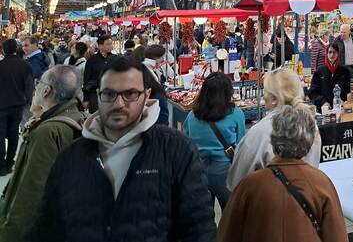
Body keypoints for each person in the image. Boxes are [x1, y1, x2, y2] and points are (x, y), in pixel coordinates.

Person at [28, 56, 215, 242]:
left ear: (146, 95)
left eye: (130, 94)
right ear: (98, 95)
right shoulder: (71, 157)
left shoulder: (176, 150)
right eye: (109, 94)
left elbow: (199, 227)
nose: (119, 104)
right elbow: (47, 226)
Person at [217, 105, 348, 242]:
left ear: (274, 139)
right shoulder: (321, 183)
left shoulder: (249, 185)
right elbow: (337, 236)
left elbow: (227, 234)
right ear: (308, 142)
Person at [0, 65, 86, 241]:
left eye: (39, 83)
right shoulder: (77, 117)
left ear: (47, 90)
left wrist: (9, 235)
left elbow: (30, 192)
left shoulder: (48, 132)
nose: (36, 87)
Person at [227, 69, 321, 191]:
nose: (263, 95)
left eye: (265, 91)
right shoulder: (311, 125)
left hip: (269, 204)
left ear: (274, 98)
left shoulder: (259, 133)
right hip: (306, 202)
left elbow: (236, 182)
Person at [183, 72, 246, 210]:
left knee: (203, 216)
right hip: (224, 169)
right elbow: (241, 144)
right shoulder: (236, 114)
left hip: (198, 169)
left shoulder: (192, 116)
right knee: (229, 214)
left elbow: (186, 141)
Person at [0, 39, 33, 175]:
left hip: (1, 106)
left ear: (3, 50)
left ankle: (1, 166)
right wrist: (28, 101)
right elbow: (29, 87)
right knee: (14, 135)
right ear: (16, 49)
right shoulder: (25, 65)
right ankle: (9, 163)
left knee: (0, 136)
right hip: (17, 105)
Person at [308, 45, 351, 112]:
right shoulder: (319, 72)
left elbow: (349, 90)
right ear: (326, 54)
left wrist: (345, 101)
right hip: (324, 110)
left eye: (334, 52)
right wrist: (323, 102)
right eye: (330, 52)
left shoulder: (344, 71)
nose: (332, 55)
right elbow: (313, 92)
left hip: (342, 109)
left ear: (338, 54)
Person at [83, 34, 115, 113]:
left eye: (111, 43)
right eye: (108, 44)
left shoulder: (115, 58)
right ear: (100, 46)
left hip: (113, 95)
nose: (110, 46)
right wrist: (86, 99)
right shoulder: (92, 60)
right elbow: (86, 80)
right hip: (95, 95)